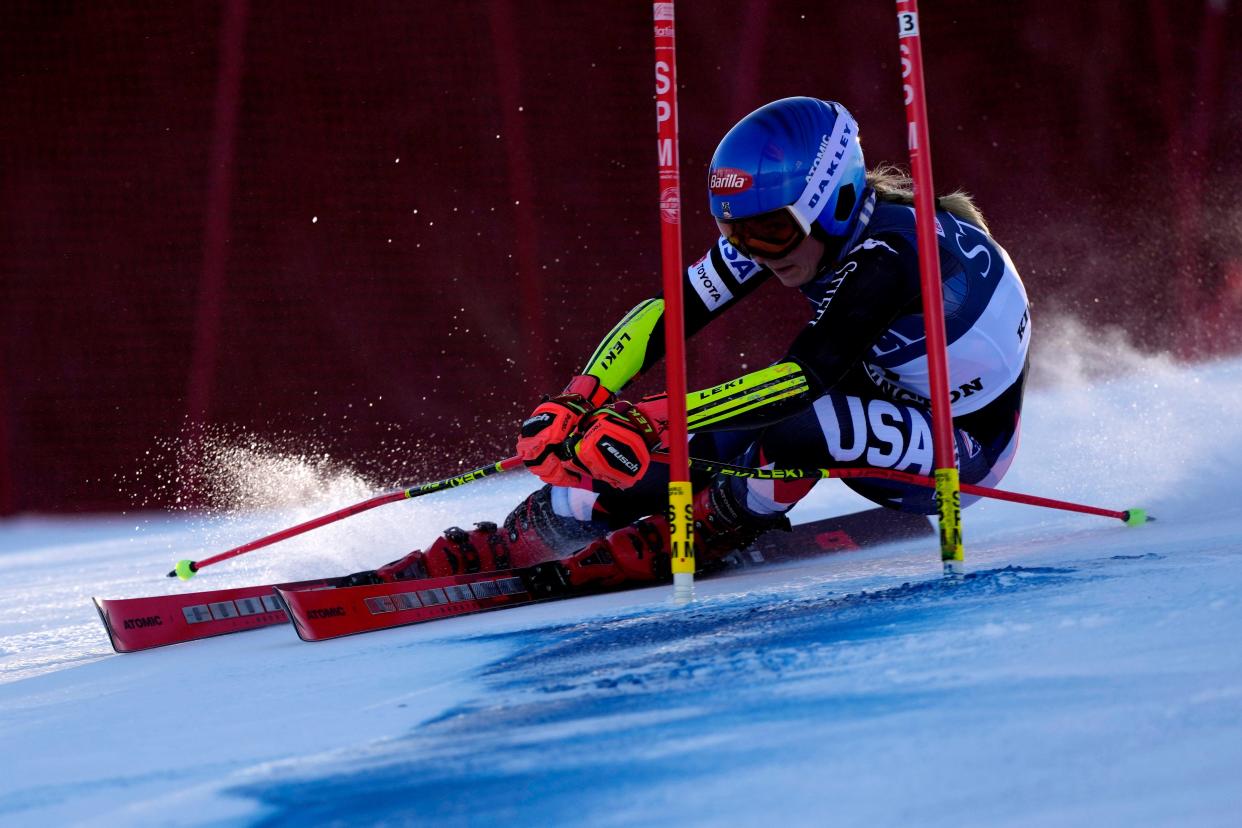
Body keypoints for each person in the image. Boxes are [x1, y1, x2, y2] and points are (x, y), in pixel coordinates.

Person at [372, 96, 1031, 589]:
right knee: (700, 440)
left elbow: (808, 374)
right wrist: (583, 398)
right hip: (877, 392)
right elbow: (672, 310)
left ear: (834, 202)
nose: (755, 254)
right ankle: (542, 526)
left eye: (768, 233)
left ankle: (720, 524)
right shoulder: (790, 230)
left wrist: (645, 417)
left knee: (789, 421)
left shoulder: (889, 253)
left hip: (959, 446)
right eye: (734, 233)